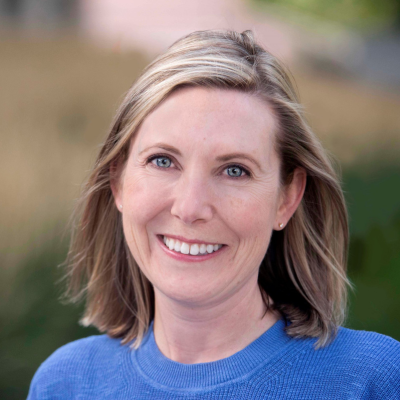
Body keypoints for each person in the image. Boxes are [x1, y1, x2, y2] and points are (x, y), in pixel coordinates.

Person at [27, 30, 400, 399]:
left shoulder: (373, 379)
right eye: (162, 161)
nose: (189, 208)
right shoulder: (66, 383)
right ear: (119, 182)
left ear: (287, 198)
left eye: (235, 170)